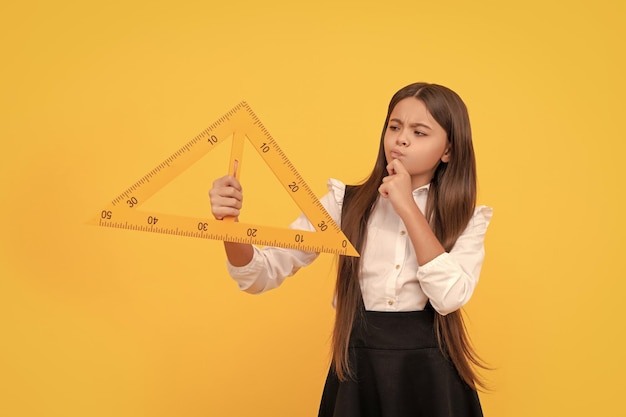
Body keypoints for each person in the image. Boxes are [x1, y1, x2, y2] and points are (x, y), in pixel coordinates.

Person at [209, 82, 493, 417]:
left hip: (433, 381)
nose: (401, 139)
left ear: (448, 150)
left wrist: (407, 208)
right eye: (395, 127)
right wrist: (229, 223)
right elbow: (261, 273)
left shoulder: (468, 219)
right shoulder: (344, 204)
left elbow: (449, 297)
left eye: (420, 132)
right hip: (359, 377)